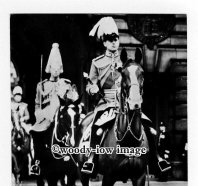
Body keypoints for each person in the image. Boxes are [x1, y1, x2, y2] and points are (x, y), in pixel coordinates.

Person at [82, 16, 171, 174]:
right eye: (110, 40)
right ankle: (91, 158)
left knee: (150, 127)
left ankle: (157, 158)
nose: (114, 42)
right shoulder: (97, 62)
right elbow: (90, 84)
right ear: (104, 42)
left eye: (115, 38)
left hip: (126, 102)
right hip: (106, 103)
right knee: (97, 128)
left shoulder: (126, 62)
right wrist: (93, 88)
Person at [30, 43, 78, 175]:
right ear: (49, 68)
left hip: (62, 116)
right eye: (53, 67)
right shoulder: (42, 86)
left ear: (61, 68)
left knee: (76, 130)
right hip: (46, 117)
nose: (56, 70)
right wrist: (39, 114)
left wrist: (72, 93)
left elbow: (74, 97)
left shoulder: (65, 84)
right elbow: (37, 104)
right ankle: (37, 162)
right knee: (36, 133)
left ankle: (78, 160)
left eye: (58, 68)